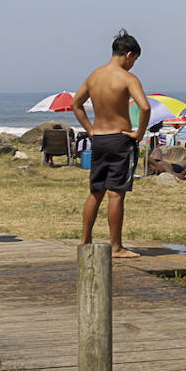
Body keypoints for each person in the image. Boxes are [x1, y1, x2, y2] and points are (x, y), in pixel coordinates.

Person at [71, 29, 151, 259]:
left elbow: (76, 104)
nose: (133, 64)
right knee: (116, 194)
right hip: (120, 139)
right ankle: (116, 247)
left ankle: (85, 240)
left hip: (100, 139)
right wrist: (138, 134)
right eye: (134, 60)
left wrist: (90, 129)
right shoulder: (127, 78)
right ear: (128, 54)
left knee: (96, 191)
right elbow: (144, 107)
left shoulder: (94, 76)